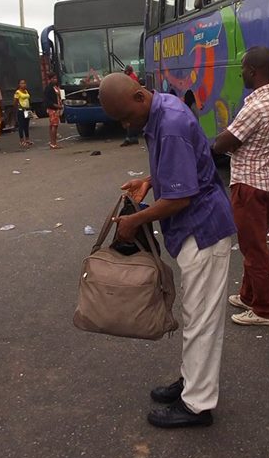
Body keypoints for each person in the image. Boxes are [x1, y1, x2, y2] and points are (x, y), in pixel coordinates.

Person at [99, 73, 236, 428]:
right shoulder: (161, 111)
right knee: (194, 314)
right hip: (195, 228)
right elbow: (185, 162)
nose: (127, 126)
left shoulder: (170, 122)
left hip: (203, 229)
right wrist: (148, 180)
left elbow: (180, 196)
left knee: (201, 319)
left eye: (127, 117)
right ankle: (192, 381)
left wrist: (134, 221)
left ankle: (197, 405)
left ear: (139, 97)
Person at [213, 46, 269, 326]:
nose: (241, 73)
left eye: (242, 68)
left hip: (249, 186)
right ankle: (248, 295)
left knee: (253, 248)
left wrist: (216, 141)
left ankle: (264, 309)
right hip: (266, 181)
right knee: (253, 243)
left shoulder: (255, 107)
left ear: (253, 71)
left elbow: (223, 143)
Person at [120, 67, 141, 145]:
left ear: (128, 71)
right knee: (131, 121)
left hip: (132, 101)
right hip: (133, 101)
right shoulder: (132, 76)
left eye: (125, 71)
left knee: (131, 121)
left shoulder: (130, 78)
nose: (124, 72)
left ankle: (131, 138)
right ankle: (131, 138)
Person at [44, 73, 62, 149]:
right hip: (53, 109)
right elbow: (47, 100)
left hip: (57, 108)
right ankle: (53, 143)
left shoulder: (56, 87)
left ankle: (53, 143)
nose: (55, 80)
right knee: (54, 125)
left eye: (56, 78)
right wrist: (56, 105)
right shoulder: (48, 88)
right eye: (53, 78)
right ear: (50, 79)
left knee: (54, 125)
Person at [14, 79, 33, 148]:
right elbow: (15, 102)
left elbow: (28, 99)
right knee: (21, 125)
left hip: (27, 110)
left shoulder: (26, 91)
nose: (23, 84)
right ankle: (21, 140)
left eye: (24, 83)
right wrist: (18, 107)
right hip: (21, 110)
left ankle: (27, 139)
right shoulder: (17, 92)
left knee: (26, 125)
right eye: (22, 83)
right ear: (19, 84)